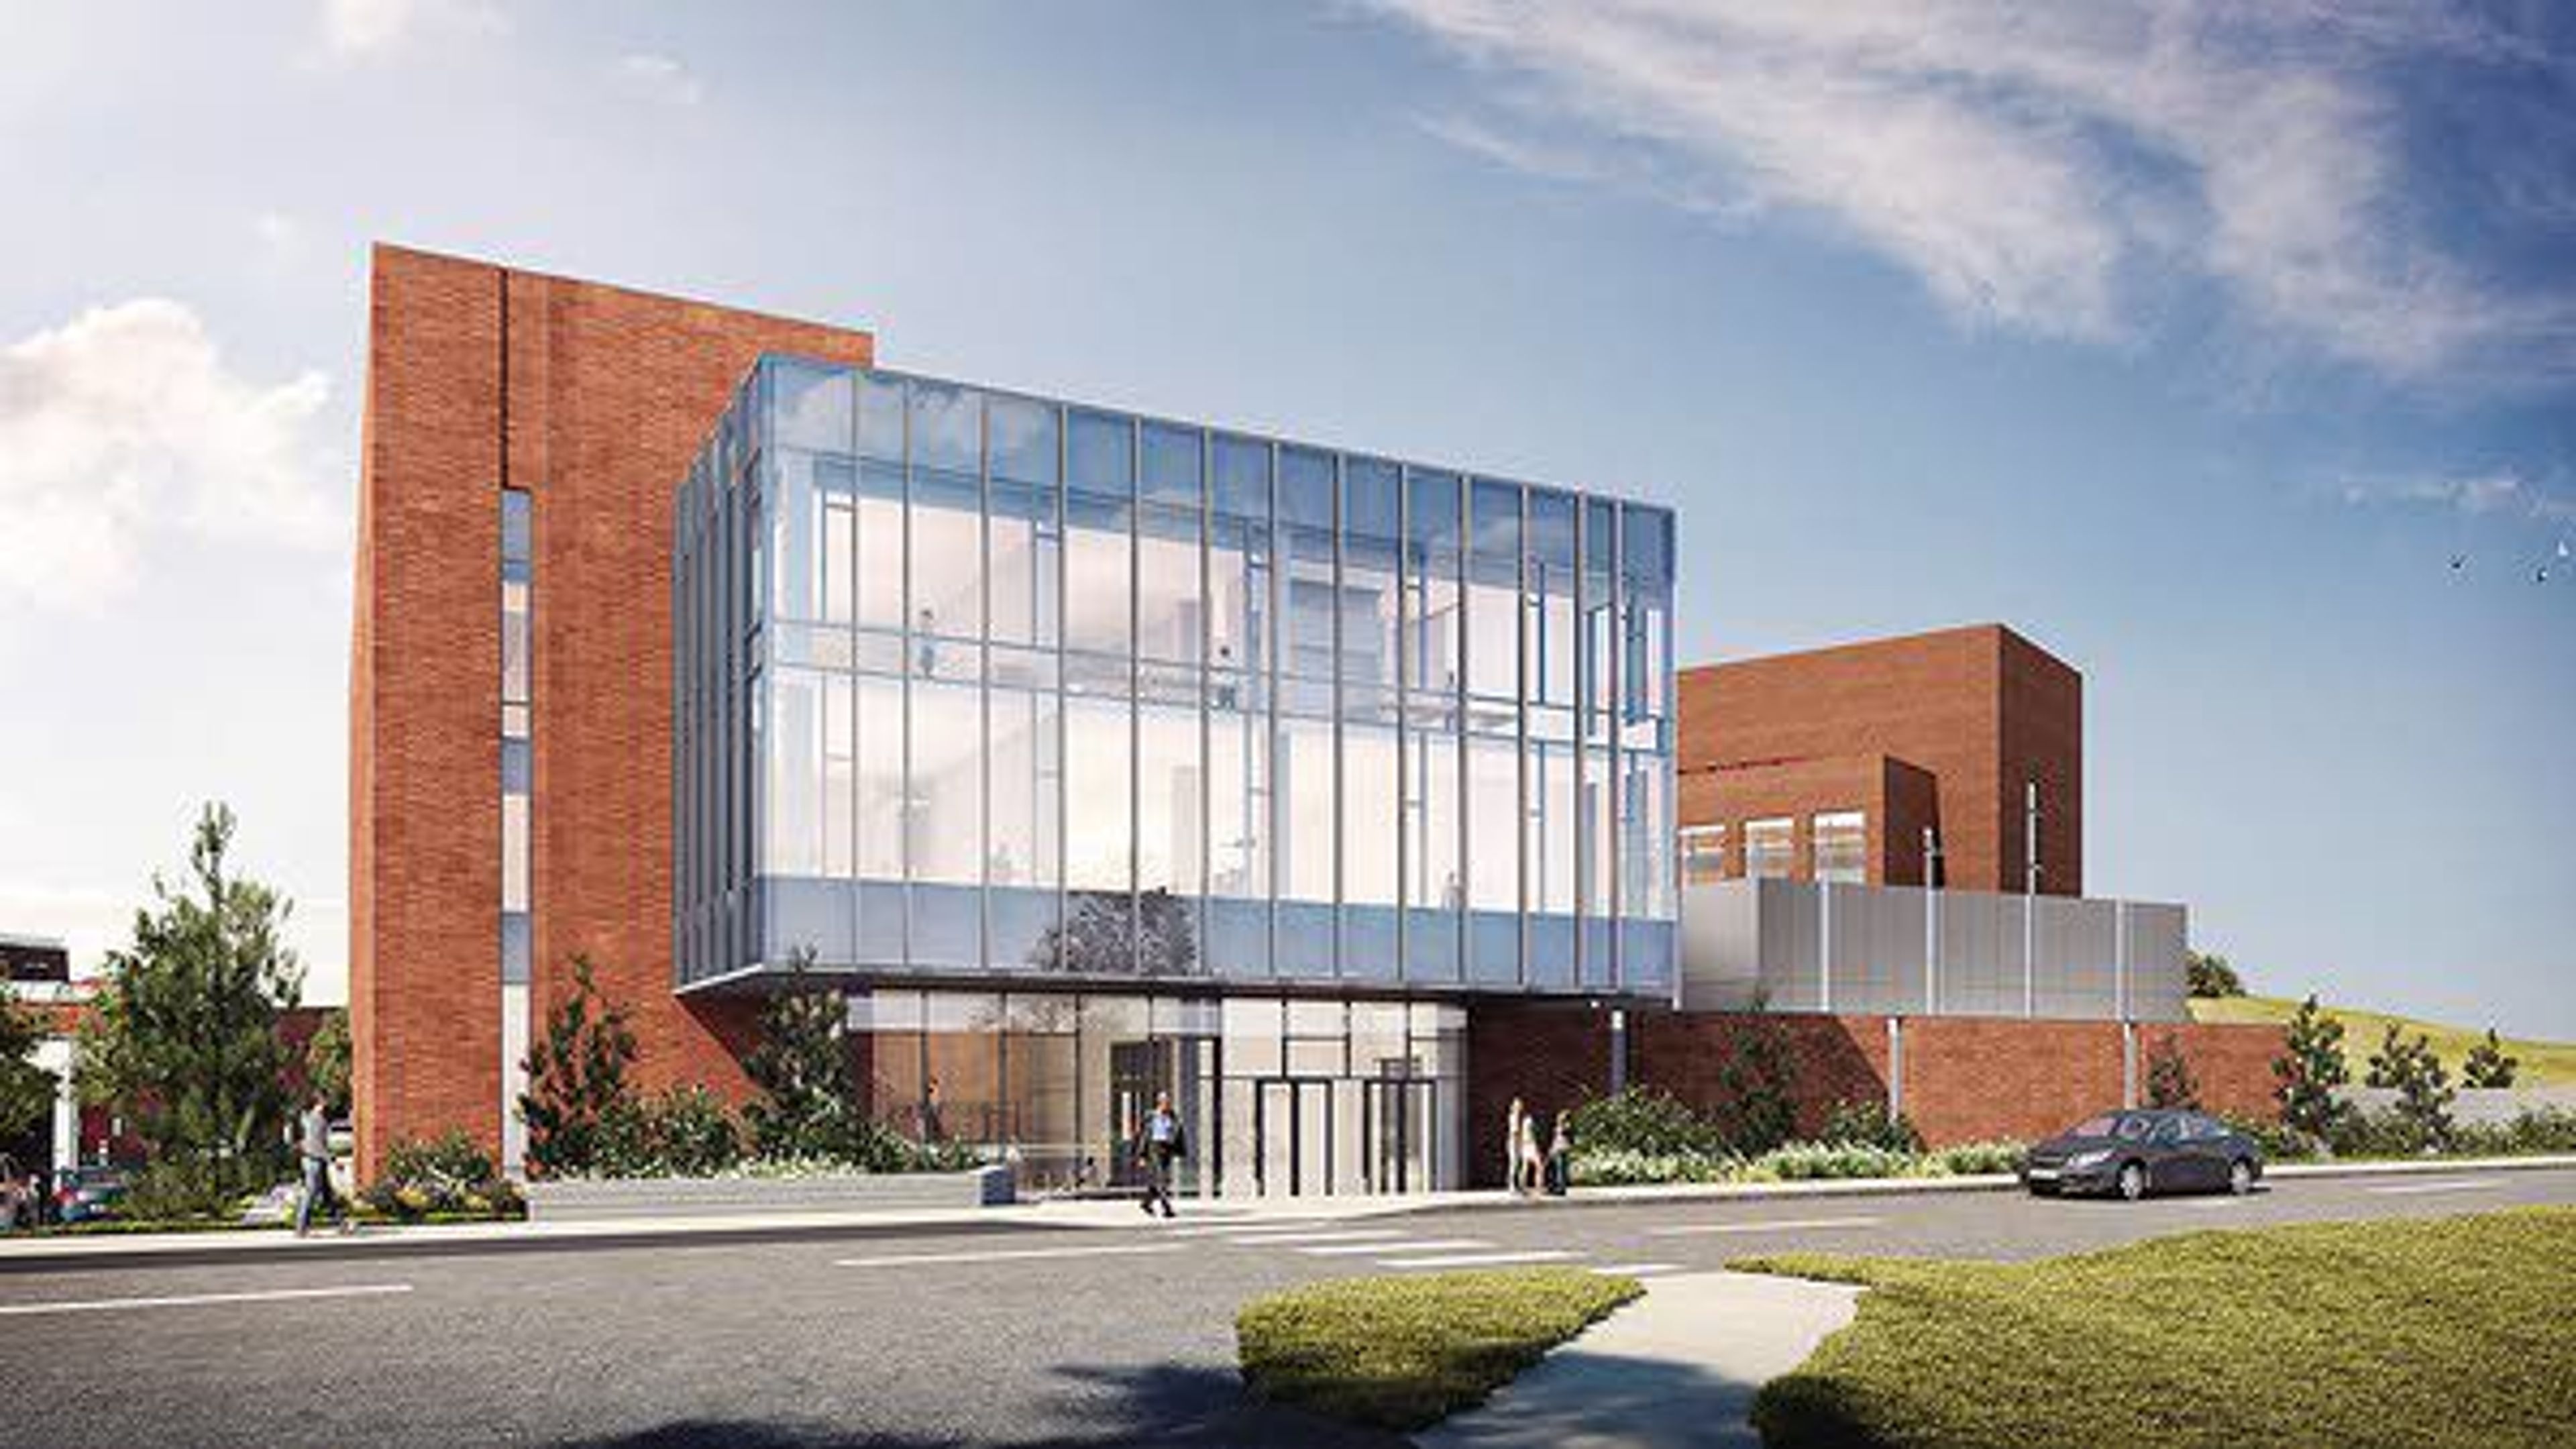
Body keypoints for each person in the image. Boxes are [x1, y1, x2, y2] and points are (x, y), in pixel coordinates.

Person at [292, 1095, 346, 1237]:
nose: (327, 1103)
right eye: (325, 1101)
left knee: (327, 1195)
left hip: (311, 1160)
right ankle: (301, 1228)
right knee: (310, 1195)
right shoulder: (317, 1120)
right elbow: (317, 1146)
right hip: (314, 1162)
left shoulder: (308, 1118)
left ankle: (341, 1224)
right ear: (319, 1103)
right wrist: (333, 1160)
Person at [1136, 1091, 1185, 1218]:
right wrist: (1142, 1155)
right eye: (1164, 1102)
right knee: (1162, 1179)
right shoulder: (1151, 1117)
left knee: (1158, 1179)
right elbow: (1144, 1137)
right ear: (1159, 1102)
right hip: (1154, 1148)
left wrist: (1178, 1150)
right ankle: (1167, 1208)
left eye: (1168, 1102)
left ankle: (1146, 1203)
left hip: (1166, 1149)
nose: (1167, 1104)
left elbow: (1178, 1134)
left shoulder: (1173, 1117)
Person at [1517, 1102, 1546, 1197]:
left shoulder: (1523, 1121)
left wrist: (1521, 1146)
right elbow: (1533, 1135)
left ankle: (1522, 1187)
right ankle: (1539, 1187)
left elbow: (1521, 1135)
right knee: (1539, 1167)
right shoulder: (1530, 1120)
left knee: (1525, 1167)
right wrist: (1537, 1146)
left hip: (1525, 1145)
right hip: (1531, 1145)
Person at [1505, 1097, 1529, 1197]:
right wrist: (1517, 1144)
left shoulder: (1520, 1117)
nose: (1520, 1107)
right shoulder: (1514, 1117)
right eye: (1518, 1105)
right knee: (1514, 1165)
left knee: (1519, 1164)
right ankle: (1512, 1187)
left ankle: (1519, 1186)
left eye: (1521, 1105)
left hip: (1518, 1143)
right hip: (1514, 1143)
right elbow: (1514, 1132)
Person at [1546, 1112, 1572, 1197]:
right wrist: (1551, 1150)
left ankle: (1561, 1188)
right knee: (1554, 1169)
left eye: (1561, 1117)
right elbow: (1555, 1139)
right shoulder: (1558, 1126)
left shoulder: (1567, 1126)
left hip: (1562, 1149)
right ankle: (1553, 1187)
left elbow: (1567, 1137)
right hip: (1556, 1149)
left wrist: (1562, 1128)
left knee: (1561, 1169)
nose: (1559, 1119)